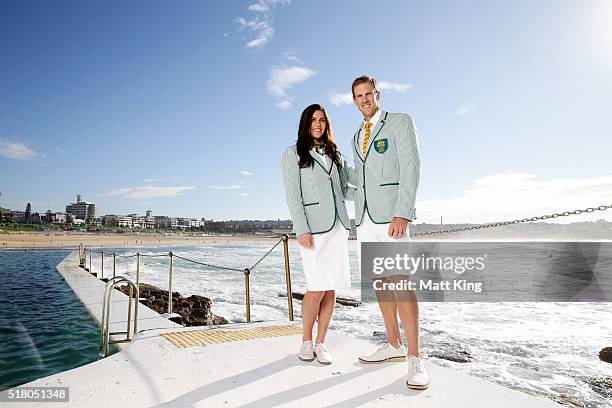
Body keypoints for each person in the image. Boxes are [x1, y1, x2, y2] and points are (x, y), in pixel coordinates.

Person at [348, 75, 429, 389]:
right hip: (366, 219)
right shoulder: (357, 135)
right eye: (359, 96)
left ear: (377, 94)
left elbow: (412, 166)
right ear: (354, 100)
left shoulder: (399, 122)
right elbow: (361, 176)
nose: (365, 100)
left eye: (369, 94)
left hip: (392, 218)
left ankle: (415, 358)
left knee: (400, 282)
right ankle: (393, 345)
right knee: (381, 282)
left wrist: (403, 212)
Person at [281, 103, 352, 365]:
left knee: (330, 287)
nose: (318, 124)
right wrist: (301, 229)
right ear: (305, 123)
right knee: (315, 288)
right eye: (313, 120)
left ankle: (322, 343)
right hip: (312, 230)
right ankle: (306, 340)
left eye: (322, 120)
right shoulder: (293, 153)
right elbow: (293, 197)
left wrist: (374, 196)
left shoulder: (335, 153)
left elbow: (344, 189)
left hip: (337, 228)